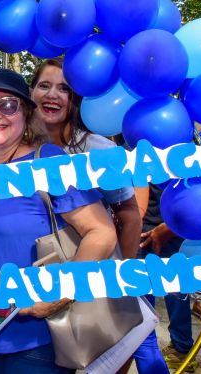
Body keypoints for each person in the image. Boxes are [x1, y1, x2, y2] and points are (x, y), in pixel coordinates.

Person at [0, 68, 117, 373]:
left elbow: (101, 232)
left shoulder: (49, 162)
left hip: (39, 338)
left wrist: (61, 292)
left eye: (8, 104)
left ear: (26, 114)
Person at [29, 58, 142, 259]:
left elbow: (130, 216)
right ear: (31, 93)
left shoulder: (98, 149)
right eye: (44, 86)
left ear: (76, 99)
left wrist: (121, 278)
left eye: (64, 89)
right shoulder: (16, 146)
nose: (52, 95)